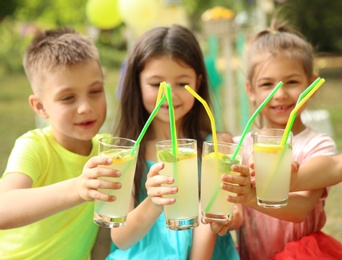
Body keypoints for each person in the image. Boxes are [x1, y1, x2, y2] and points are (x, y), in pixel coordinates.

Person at [106, 24, 242, 260]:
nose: (169, 93)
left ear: (198, 83)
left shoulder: (215, 147)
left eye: (182, 83)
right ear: (136, 83)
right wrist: (154, 202)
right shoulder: (124, 153)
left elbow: (236, 213)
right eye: (156, 84)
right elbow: (121, 237)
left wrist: (228, 217)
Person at [216, 19, 342, 259]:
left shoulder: (317, 145)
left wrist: (253, 195)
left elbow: (301, 210)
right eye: (267, 84)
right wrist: (226, 218)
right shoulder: (239, 147)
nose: (280, 94)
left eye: (292, 82)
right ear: (251, 91)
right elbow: (236, 212)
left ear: (312, 85)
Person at [0, 27, 121, 259]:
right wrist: (79, 187)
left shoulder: (108, 150)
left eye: (95, 91)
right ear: (40, 107)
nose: (86, 107)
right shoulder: (34, 146)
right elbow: (3, 208)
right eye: (67, 98)